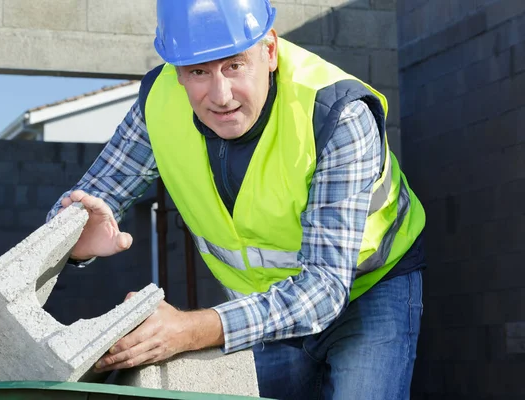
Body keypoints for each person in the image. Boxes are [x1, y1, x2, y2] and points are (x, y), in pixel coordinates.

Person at [48, 0, 427, 398]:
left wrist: (190, 331)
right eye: (198, 71)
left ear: (269, 50)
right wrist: (72, 241)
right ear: (178, 72)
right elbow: (88, 200)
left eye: (234, 65)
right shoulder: (158, 105)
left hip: (369, 286)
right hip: (262, 304)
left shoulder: (336, 113)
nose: (221, 95)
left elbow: (323, 291)